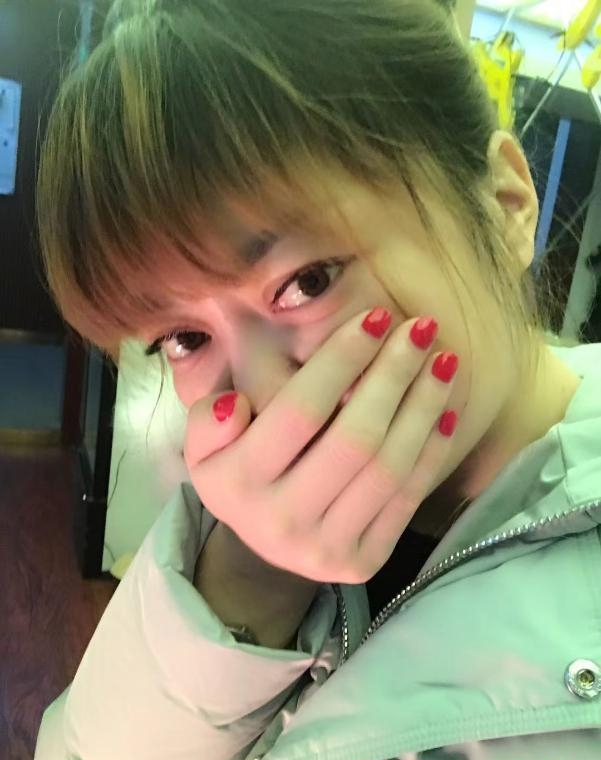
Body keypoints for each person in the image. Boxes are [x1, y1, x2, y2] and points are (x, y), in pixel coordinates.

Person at [33, 1, 601, 758]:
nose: (265, 398)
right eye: (184, 338)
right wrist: (247, 581)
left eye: (309, 280)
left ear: (504, 208)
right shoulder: (214, 532)